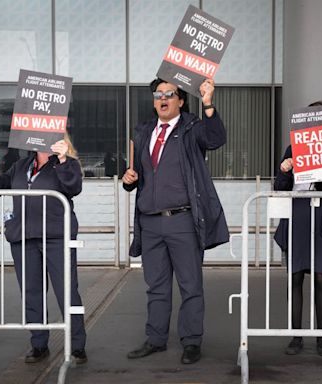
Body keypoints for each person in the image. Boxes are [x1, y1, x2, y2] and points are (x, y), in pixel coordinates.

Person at [122, 78, 229, 364]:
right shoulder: (144, 132)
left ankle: (191, 341)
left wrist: (208, 102)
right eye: (158, 94)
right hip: (150, 222)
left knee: (190, 284)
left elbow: (216, 139)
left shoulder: (192, 128)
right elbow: (137, 172)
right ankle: (156, 338)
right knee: (155, 285)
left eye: (170, 94)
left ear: (181, 100)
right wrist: (128, 178)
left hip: (182, 220)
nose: (163, 98)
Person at [0, 134, 87, 364]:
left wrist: (62, 159)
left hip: (56, 237)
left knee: (67, 291)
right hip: (24, 237)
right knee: (31, 292)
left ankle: (77, 346)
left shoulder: (66, 162)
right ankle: (38, 343)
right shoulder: (22, 165)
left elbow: (73, 186)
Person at [274, 101, 322, 357]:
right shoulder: (292, 148)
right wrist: (284, 169)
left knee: (321, 277)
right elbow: (280, 186)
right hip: (297, 215)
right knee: (295, 276)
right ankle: (295, 337)